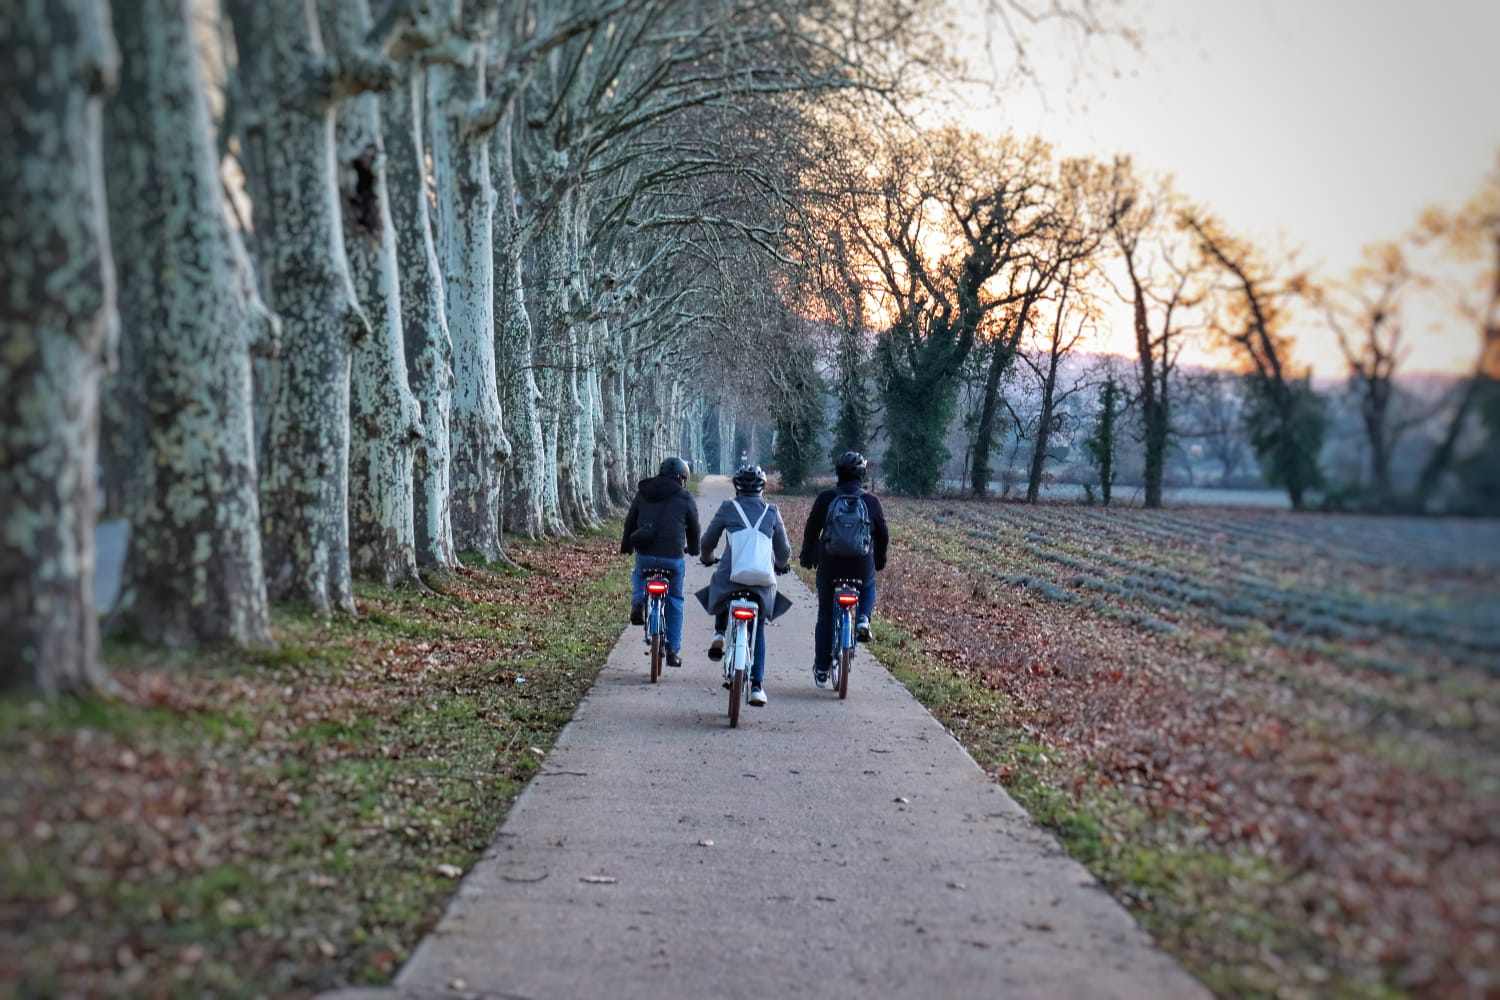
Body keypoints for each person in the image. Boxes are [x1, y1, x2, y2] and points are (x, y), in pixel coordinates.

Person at [696, 465, 792, 706]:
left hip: (732, 577)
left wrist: (707, 558)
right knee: (758, 627)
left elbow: (707, 543)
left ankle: (719, 632)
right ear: (762, 486)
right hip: (761, 581)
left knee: (719, 586)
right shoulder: (771, 511)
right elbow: (784, 552)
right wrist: (781, 564)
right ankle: (757, 686)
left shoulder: (729, 508)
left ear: (736, 486)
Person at [799, 451, 889, 689]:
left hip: (830, 564)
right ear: (863, 474)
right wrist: (879, 560)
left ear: (837, 472)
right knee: (869, 584)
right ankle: (862, 618)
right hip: (861, 565)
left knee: (826, 614)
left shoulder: (826, 498)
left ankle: (821, 668)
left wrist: (808, 556)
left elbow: (811, 530)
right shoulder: (871, 502)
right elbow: (882, 534)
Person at [620, 457, 700, 667]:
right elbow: (694, 527)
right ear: (681, 478)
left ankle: (638, 602)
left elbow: (630, 520)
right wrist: (694, 549)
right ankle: (672, 650)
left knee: (638, 573)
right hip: (673, 558)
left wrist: (626, 546)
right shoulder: (684, 497)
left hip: (646, 555)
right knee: (675, 600)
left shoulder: (644, 492)